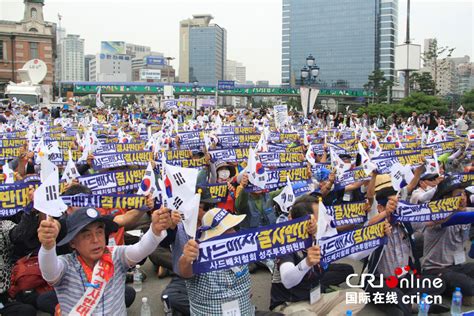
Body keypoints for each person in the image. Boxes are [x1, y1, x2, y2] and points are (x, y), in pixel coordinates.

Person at [37, 207, 170, 315]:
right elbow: (50, 271)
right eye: (87, 235)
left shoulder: (116, 255)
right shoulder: (66, 264)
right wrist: (47, 247)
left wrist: (155, 230)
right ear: (72, 242)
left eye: (99, 232)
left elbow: (140, 249)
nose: (95, 240)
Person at [270, 198, 366, 315]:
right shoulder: (286, 242)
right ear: (307, 220)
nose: (327, 219)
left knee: (359, 295)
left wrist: (380, 236)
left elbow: (357, 254)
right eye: (321, 216)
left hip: (317, 299)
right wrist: (307, 263)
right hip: (290, 305)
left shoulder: (322, 238)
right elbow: (287, 281)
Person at [178, 208, 254, 315]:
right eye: (229, 229)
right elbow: (185, 271)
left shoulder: (239, 249)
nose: (234, 232)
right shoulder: (199, 253)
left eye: (233, 228)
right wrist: (187, 258)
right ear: (215, 236)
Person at [422, 177, 474, 306]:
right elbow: (459, 218)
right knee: (467, 284)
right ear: (446, 199)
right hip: (435, 269)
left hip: (457, 266)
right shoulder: (439, 216)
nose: (463, 198)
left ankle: (452, 290)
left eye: (464, 194)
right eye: (458, 195)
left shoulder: (467, 211)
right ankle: (445, 290)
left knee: (466, 280)